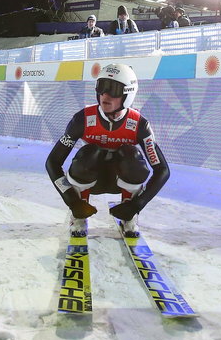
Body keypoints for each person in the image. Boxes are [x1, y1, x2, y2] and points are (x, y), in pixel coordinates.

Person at [45, 63, 170, 238]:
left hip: (120, 180)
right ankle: (78, 215)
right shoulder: (82, 119)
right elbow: (53, 162)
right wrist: (71, 200)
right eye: (102, 87)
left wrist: (136, 205)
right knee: (88, 154)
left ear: (128, 93)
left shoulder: (140, 125)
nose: (105, 95)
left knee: (132, 156)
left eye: (113, 89)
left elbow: (162, 170)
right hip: (90, 178)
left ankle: (129, 216)